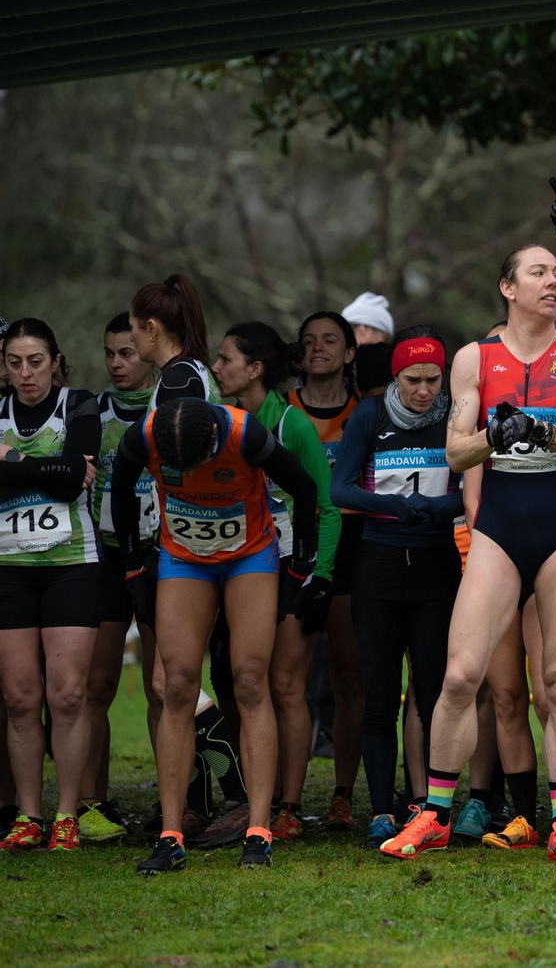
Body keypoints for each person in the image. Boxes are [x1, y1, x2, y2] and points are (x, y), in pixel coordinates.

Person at [381, 175, 556, 864]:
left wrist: (540, 436)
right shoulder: (474, 359)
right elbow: (456, 448)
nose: (552, 283)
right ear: (507, 288)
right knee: (459, 677)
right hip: (500, 530)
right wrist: (494, 435)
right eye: (538, 272)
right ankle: (435, 813)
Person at [113, 397, 318, 873]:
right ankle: (170, 836)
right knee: (178, 684)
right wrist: (132, 567)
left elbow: (305, 489)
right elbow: (119, 490)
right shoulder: (142, 436)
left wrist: (301, 566)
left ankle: (259, 830)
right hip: (184, 558)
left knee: (249, 679)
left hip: (249, 556)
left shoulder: (245, 434)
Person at [328, 328, 464, 850]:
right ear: (396, 376)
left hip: (435, 565)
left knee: (433, 694)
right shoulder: (369, 415)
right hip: (379, 565)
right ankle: (381, 810)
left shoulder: (454, 415)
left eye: (433, 379)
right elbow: (339, 487)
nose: (425, 391)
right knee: (379, 696)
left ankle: (431, 807)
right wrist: (391, 507)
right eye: (414, 380)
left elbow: (476, 486)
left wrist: (440, 509)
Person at [210, 323, 340, 841]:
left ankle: (285, 807)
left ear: (254, 369)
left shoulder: (292, 426)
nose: (216, 368)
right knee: (234, 682)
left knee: (284, 686)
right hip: (233, 564)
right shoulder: (217, 422)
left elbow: (326, 508)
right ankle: (240, 798)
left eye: (225, 359)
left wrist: (321, 577)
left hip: (291, 567)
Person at [0, 320, 103, 853]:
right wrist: (52, 466)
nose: (25, 373)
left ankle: (66, 815)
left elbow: (74, 478)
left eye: (35, 361)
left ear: (55, 361)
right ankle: (28, 816)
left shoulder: (80, 405)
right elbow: (63, 472)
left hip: (71, 565)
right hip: (8, 569)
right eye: (14, 363)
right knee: (19, 698)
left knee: (66, 696)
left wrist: (12, 462)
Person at [80, 313, 159, 843]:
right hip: (105, 557)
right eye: (110, 353)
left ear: (148, 352)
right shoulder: (90, 409)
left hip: (159, 556)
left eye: (127, 353)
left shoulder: (169, 403)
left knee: (165, 686)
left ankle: (178, 802)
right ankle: (91, 804)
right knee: (96, 685)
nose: (116, 363)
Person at [286, 311, 365, 830]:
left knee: (348, 676)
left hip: (355, 547)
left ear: (349, 353)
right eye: (309, 341)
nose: (319, 348)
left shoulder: (366, 412)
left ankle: (342, 795)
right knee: (286, 678)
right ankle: (284, 803)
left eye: (330, 340)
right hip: (293, 545)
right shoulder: (283, 411)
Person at [129, 273, 220, 410]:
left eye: (132, 327)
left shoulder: (177, 383)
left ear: (151, 328)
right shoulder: (193, 369)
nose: (131, 337)